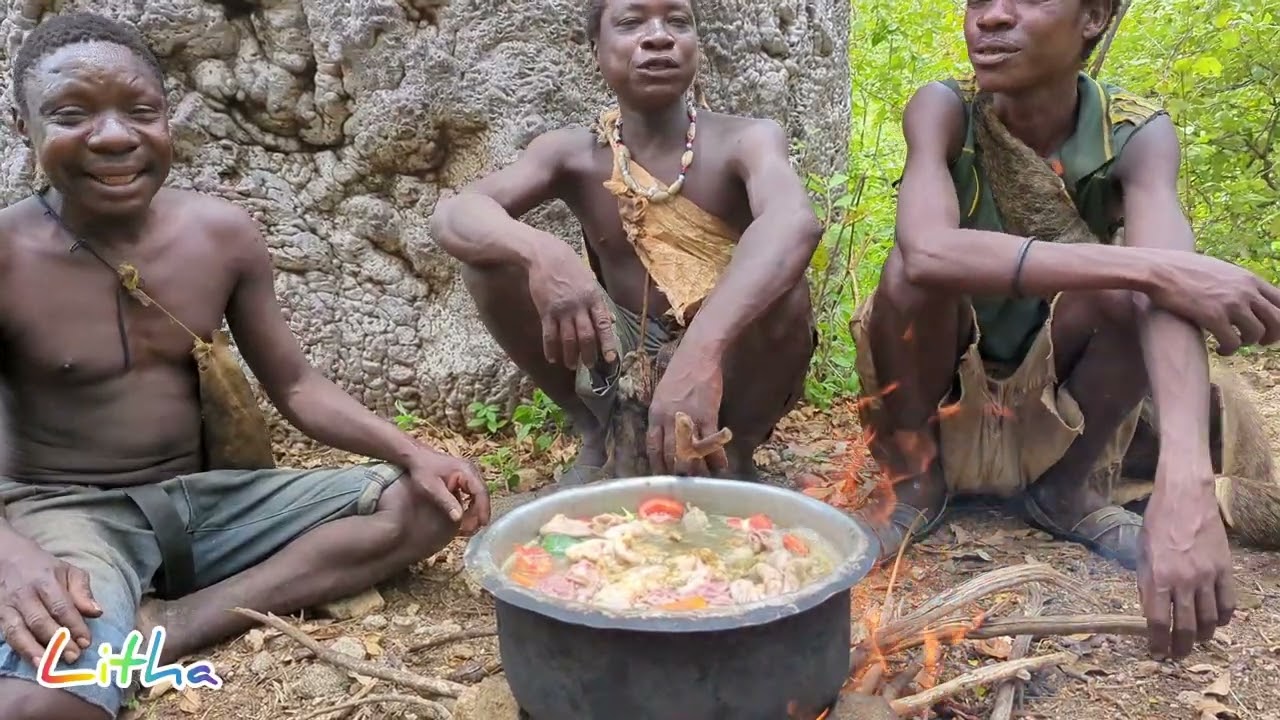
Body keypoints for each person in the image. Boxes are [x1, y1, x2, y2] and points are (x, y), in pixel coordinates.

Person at [0, 13, 490, 719]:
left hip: (209, 503)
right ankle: (115, 619)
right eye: (72, 114)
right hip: (69, 514)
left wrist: (413, 451)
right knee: (49, 703)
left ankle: (180, 624)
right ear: (24, 128)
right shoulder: (8, 257)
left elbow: (296, 384)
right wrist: (12, 556)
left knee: (427, 503)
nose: (113, 137)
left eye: (140, 111)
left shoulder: (220, 234)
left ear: (168, 118)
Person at [849, 0, 1280, 662]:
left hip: (1054, 403)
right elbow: (929, 249)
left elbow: (1169, 308)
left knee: (1139, 295)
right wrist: (1157, 266)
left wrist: (1186, 481)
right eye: (977, 2)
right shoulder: (943, 110)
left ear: (1094, 17)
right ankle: (915, 485)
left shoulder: (1134, 132)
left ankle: (1064, 491)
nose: (990, 18)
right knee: (907, 276)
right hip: (940, 388)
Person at [431, 0, 821, 483]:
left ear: (697, 45)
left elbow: (794, 223)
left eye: (678, 22)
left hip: (727, 351)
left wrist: (701, 354)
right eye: (632, 22)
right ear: (596, 49)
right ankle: (597, 433)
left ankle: (733, 451)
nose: (659, 36)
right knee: (490, 261)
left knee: (784, 290)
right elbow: (454, 213)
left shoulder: (750, 140)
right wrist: (541, 253)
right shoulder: (571, 153)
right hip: (620, 345)